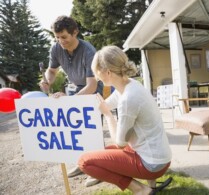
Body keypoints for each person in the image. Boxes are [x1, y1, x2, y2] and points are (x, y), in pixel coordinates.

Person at [78, 45, 172, 194]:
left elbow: (120, 143)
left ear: (107, 72)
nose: (96, 77)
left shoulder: (128, 99)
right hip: (160, 156)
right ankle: (151, 187)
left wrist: (108, 116)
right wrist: (69, 103)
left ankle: (141, 190)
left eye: (97, 72)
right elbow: (105, 105)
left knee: (84, 162)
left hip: (151, 164)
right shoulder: (130, 85)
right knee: (103, 151)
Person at [39, 15, 102, 187]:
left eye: (64, 37)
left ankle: (98, 169)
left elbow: (91, 86)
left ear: (75, 33)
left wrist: (70, 101)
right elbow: (52, 71)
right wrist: (47, 80)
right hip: (75, 87)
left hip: (93, 87)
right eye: (57, 37)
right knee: (76, 130)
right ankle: (83, 164)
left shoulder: (89, 51)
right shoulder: (56, 48)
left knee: (91, 130)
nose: (61, 41)